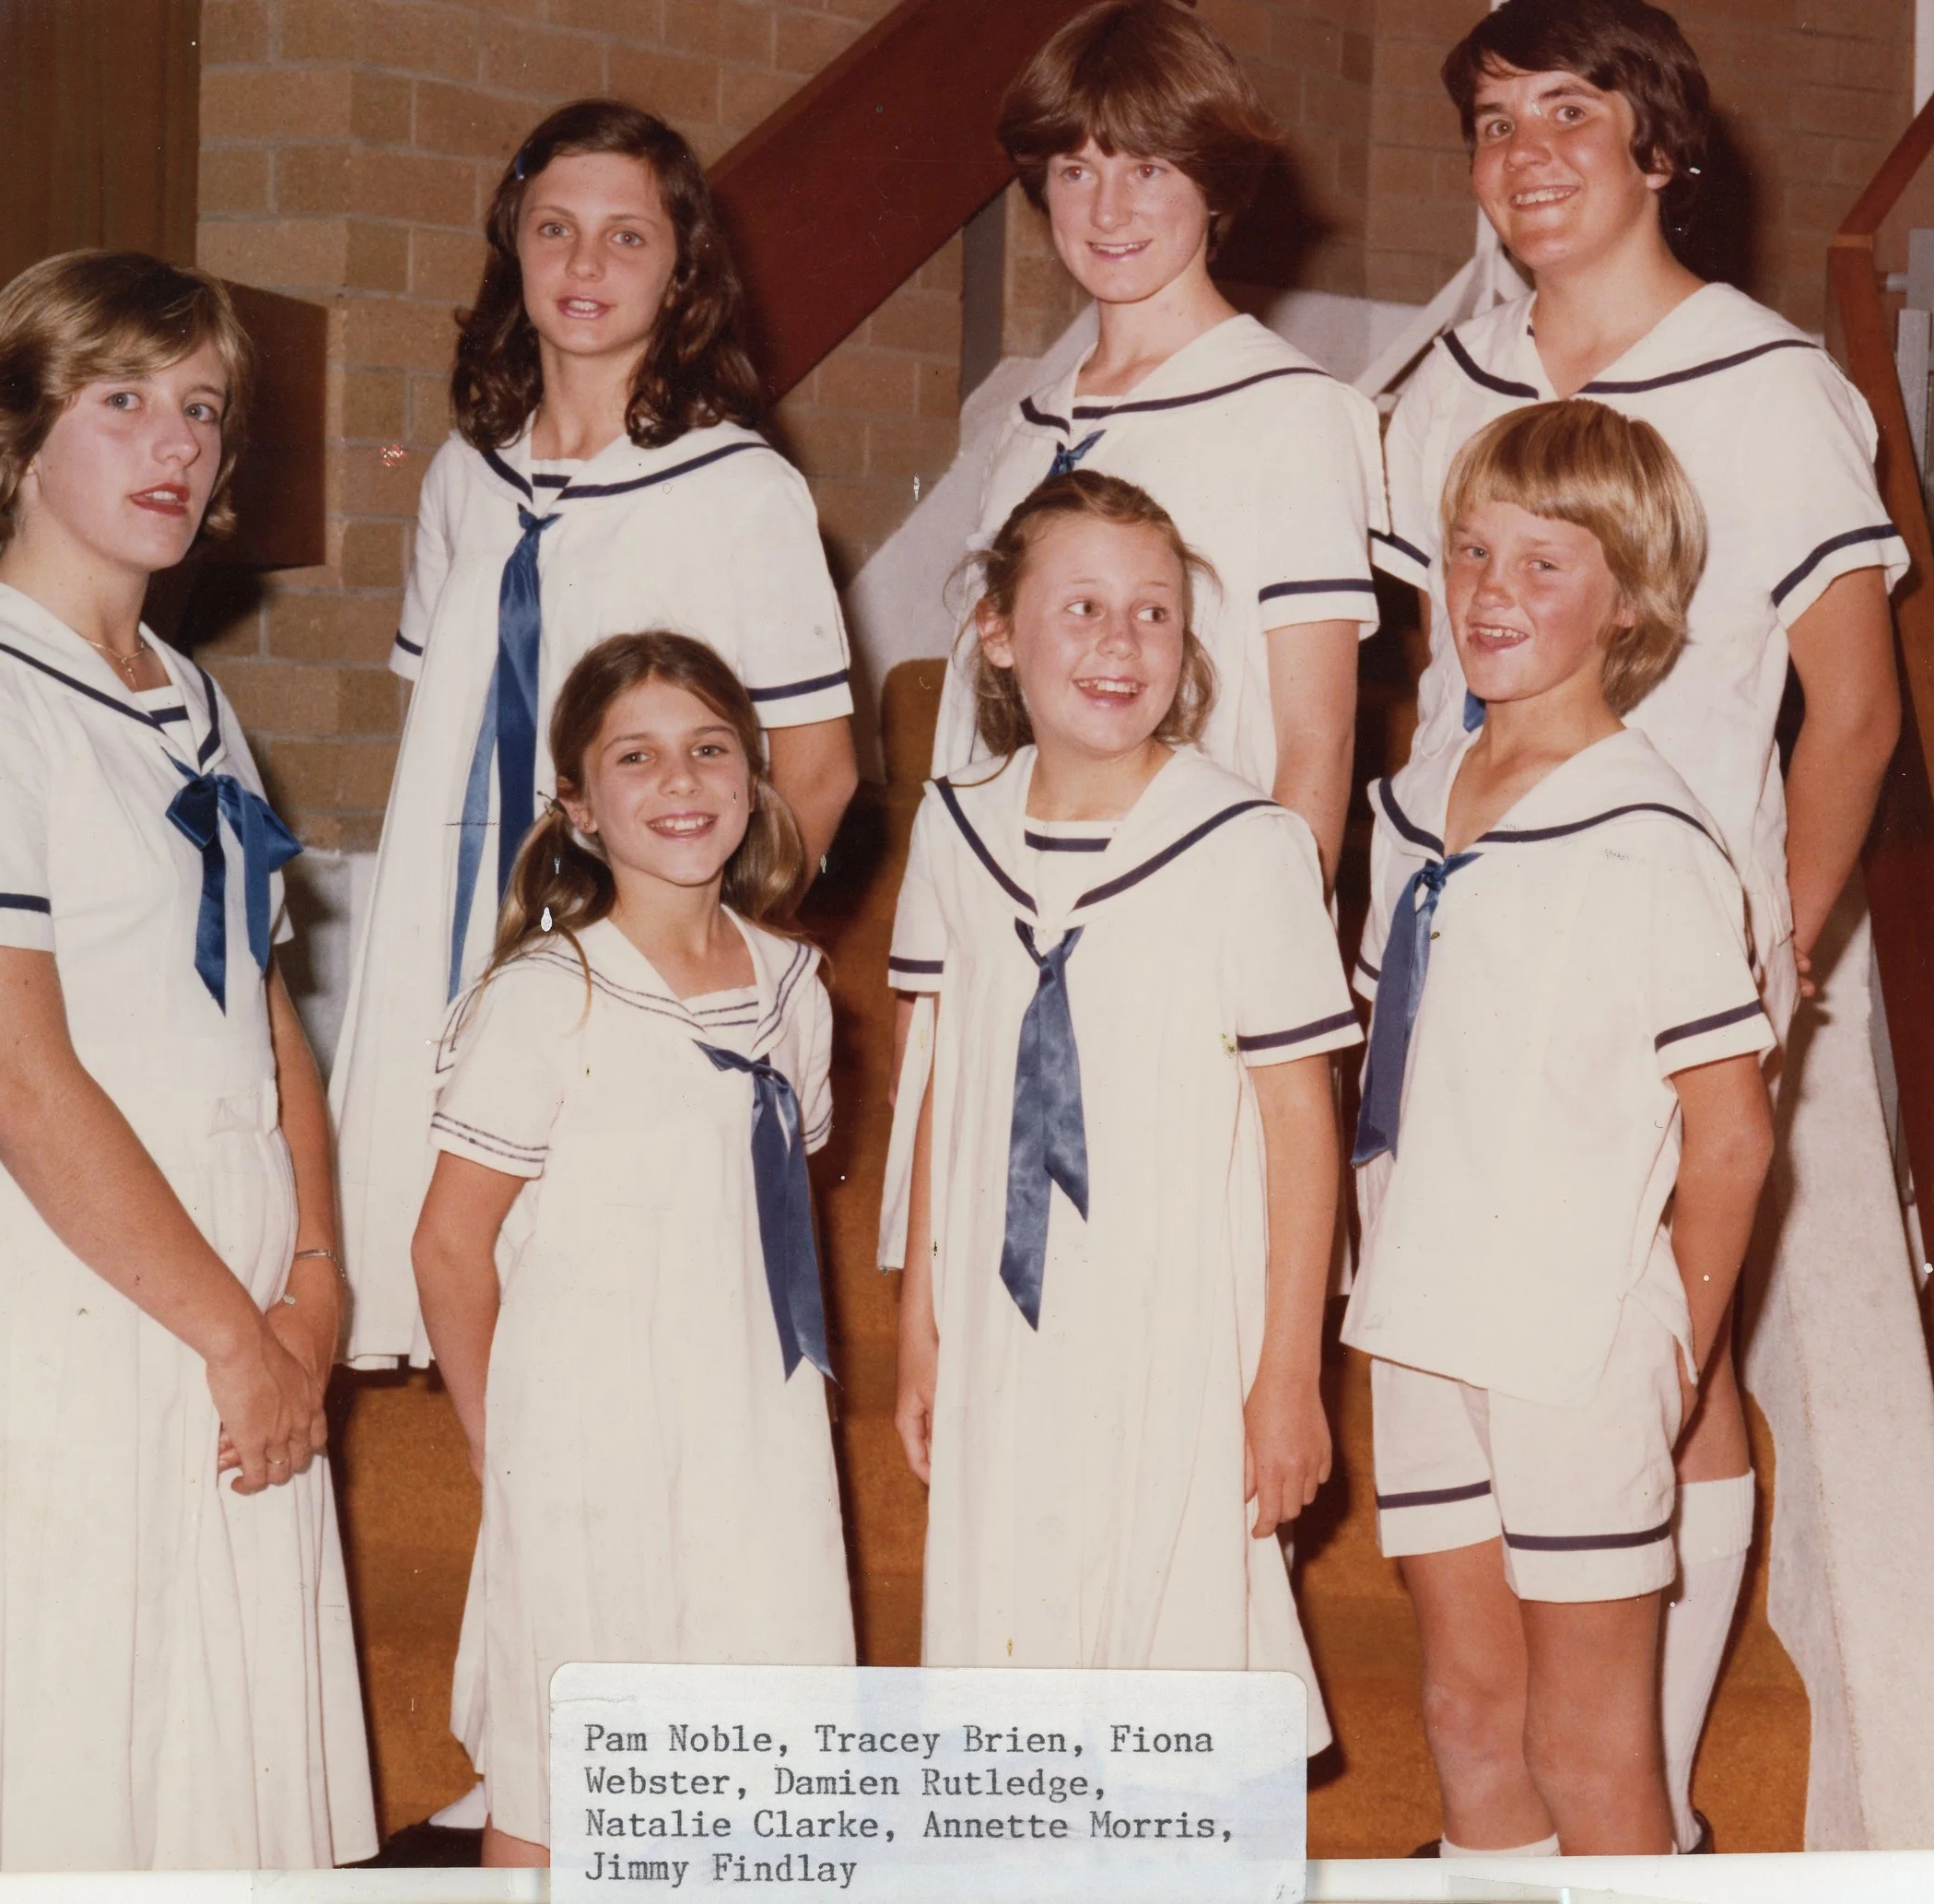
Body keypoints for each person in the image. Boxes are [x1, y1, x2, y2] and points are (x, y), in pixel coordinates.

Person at [1373, 0, 1905, 1845]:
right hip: (1480, 953)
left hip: (1669, 954)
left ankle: (1640, 1795)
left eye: (1568, 118)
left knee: (1672, 1377)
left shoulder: (1759, 387)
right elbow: (1415, 665)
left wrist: (1782, 952)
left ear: (1658, 149)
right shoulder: (1447, 375)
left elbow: (1852, 706)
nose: (1523, 158)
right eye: (1492, 124)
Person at [0, 250, 376, 1870]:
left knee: (195, 1787)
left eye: (201, 408)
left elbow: (259, 1011)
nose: (176, 444)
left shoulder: (192, 701)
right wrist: (241, 1337)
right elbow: (23, 1083)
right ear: (12, 437)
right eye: (123, 400)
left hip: (229, 1306)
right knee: (67, 1776)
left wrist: (321, 1282)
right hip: (70, 1297)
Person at [332, 98, 859, 1367]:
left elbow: (822, 771)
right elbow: (441, 726)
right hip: (458, 918)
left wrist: (693, 965)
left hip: (633, 947)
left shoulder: (742, 489)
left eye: (628, 238)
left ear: (685, 269)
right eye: (555, 228)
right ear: (512, 247)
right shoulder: (465, 475)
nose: (584, 265)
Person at [1345, 401, 1775, 1855]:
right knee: (1471, 1717)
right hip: (1422, 1314)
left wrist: (1678, 1350)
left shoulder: (1647, 835)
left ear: (1631, 599)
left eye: (1545, 563)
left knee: (1588, 1754)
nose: (1490, 592)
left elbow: (1731, 1135)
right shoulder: (1414, 802)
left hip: (1571, 1338)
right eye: (1472, 553)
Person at [890, 471, 1356, 1750]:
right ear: (999, 628)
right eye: (1082, 606)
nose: (1119, 642)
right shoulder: (954, 831)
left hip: (1179, 1324)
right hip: (1004, 1320)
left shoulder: (1246, 845)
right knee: (1011, 1650)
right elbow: (945, 1085)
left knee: (1173, 1676)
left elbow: (1299, 1128)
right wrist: (921, 1312)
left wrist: (1289, 1371)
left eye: (1154, 614)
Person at [412, 632, 852, 1868]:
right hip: (588, 1445)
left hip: (753, 1438)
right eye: (637, 756)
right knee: (565, 1786)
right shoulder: (551, 995)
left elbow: (767, 1216)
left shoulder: (794, 988)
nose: (681, 781)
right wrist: (508, 1440)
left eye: (710, 749)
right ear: (579, 805)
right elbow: (448, 1247)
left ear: (756, 777)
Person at [932, 0, 1384, 884]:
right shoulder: (1024, 427)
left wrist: (1277, 965)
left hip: (1190, 913)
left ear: (1212, 183)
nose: (1106, 209)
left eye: (1146, 168)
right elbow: (976, 717)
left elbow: (1316, 742)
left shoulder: (1290, 410)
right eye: (1075, 169)